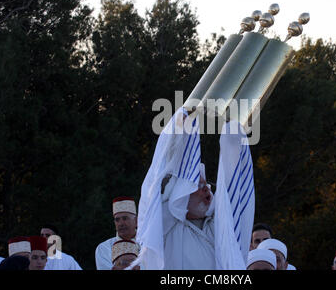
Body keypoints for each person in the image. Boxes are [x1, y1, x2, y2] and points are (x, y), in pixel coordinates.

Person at [131, 110, 255, 270]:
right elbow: (158, 171)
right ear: (180, 196)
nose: (207, 189)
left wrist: (234, 125)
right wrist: (177, 127)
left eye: (206, 185)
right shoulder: (164, 226)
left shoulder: (222, 223)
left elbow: (233, 171)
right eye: (199, 186)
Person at [95, 197, 138, 270]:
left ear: (136, 221)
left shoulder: (148, 245)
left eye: (125, 218)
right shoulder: (104, 248)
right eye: (117, 220)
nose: (121, 223)